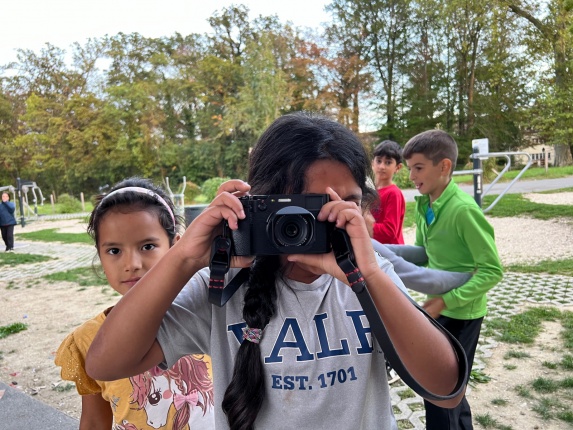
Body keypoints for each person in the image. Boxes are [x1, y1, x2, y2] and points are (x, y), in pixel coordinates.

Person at [86, 112, 466, 430]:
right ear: (259, 204)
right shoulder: (222, 288)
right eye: (304, 209)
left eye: (341, 207)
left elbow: (445, 387)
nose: (322, 224)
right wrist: (184, 257)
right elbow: (106, 363)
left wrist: (368, 276)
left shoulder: (372, 277)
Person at [54, 177, 215, 430]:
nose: (132, 264)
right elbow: (95, 421)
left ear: (177, 246)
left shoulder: (212, 315)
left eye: (148, 246)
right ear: (99, 255)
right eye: (114, 251)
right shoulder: (88, 342)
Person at [402, 129, 503, 430]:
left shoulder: (463, 210)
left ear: (444, 167)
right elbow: (424, 253)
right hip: (438, 308)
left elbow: (492, 270)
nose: (411, 176)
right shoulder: (426, 204)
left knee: (440, 391)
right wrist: (380, 253)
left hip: (461, 313)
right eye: (409, 169)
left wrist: (448, 300)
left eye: (418, 168)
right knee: (447, 387)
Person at [370, 140, 405, 244]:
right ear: (372, 163)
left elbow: (389, 231)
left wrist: (365, 226)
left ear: (398, 167)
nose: (382, 166)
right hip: (375, 249)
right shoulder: (369, 190)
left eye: (388, 162)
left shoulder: (393, 193)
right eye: (379, 161)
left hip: (390, 253)